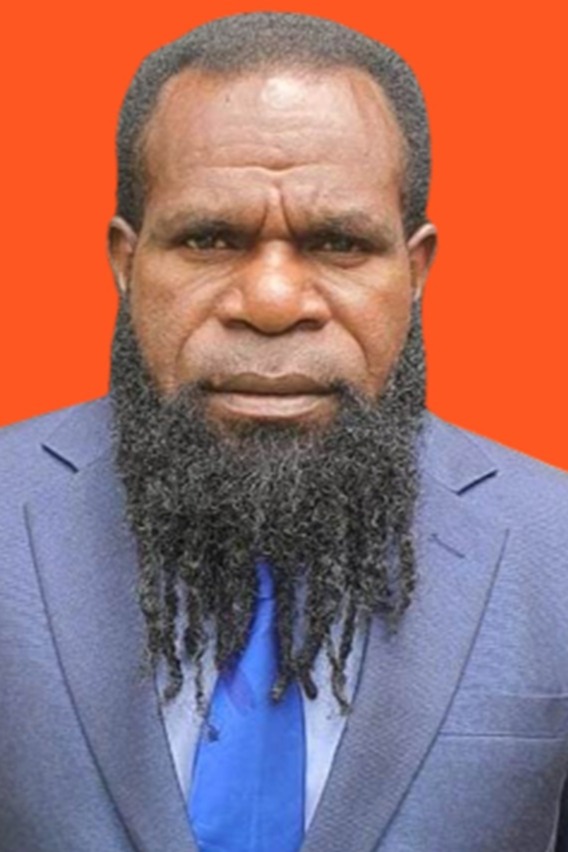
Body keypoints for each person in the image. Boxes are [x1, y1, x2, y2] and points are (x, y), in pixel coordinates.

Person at [0, 11, 567, 852]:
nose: (270, 303)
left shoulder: (556, 545)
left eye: (338, 242)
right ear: (127, 263)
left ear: (414, 272)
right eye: (208, 239)